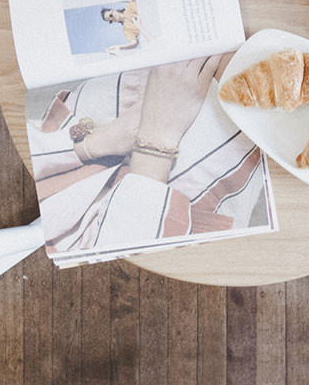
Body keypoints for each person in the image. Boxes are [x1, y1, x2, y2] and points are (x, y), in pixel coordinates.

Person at [28, 55, 268, 254]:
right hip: (153, 206)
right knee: (251, 101)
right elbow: (120, 256)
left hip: (76, 145)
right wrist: (156, 138)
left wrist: (99, 141)